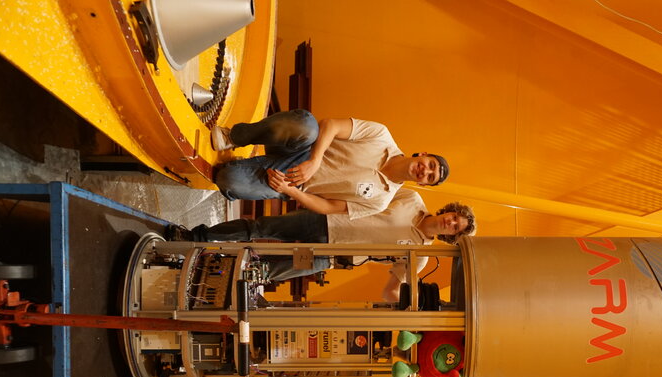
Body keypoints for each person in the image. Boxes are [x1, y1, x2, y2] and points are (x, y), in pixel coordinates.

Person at [181, 189, 476, 301]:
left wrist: (411, 308)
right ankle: (198, 237)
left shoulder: (420, 258)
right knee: (260, 228)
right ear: (449, 211)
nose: (451, 223)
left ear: (451, 237)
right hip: (325, 222)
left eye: (456, 228)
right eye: (454, 218)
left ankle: (202, 281)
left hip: (330, 257)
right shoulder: (412, 199)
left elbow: (390, 290)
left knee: (265, 271)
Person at [205, 110, 449, 211]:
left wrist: (291, 191)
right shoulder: (382, 136)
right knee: (306, 125)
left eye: (430, 177)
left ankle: (247, 167)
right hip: (302, 144)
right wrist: (315, 160)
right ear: (423, 154)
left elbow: (330, 207)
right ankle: (234, 136)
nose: (424, 171)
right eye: (430, 165)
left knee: (227, 179)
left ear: (423, 185)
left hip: (292, 181)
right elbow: (330, 125)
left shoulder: (380, 201)